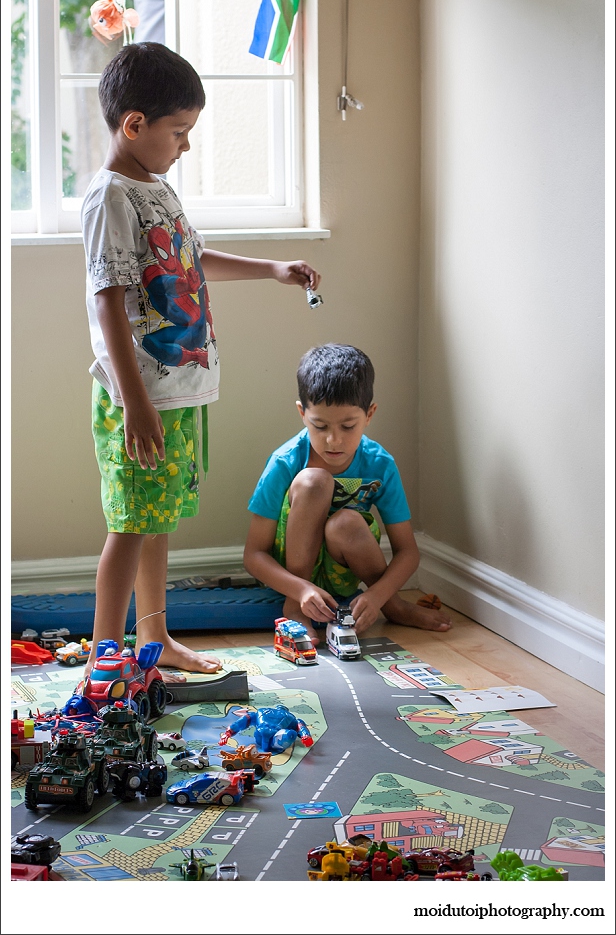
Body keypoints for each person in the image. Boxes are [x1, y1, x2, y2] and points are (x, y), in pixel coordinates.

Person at [81, 42, 320, 677]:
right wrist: (134, 402)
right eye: (179, 131)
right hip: (141, 397)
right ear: (134, 124)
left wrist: (272, 269)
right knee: (129, 527)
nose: (185, 146)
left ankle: (153, 645)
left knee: (157, 523)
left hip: (180, 387)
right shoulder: (110, 198)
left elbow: (193, 261)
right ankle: (106, 664)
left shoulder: (158, 188)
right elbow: (107, 304)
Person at [243, 344, 452, 640]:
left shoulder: (379, 464)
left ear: (369, 415)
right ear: (302, 414)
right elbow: (254, 555)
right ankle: (295, 607)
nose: (333, 440)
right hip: (292, 575)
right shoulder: (284, 461)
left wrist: (379, 596)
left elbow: (407, 551)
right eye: (320, 425)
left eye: (348, 426)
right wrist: (299, 589)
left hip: (343, 568)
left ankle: (395, 608)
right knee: (315, 481)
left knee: (347, 522)